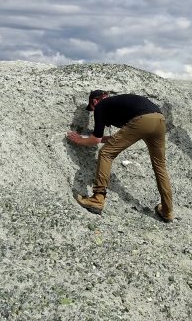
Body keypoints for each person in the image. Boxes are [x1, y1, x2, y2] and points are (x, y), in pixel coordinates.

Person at [67, 90, 174, 222]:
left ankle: (97, 199)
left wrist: (79, 140)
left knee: (105, 153)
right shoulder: (120, 105)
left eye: (92, 108)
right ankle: (167, 211)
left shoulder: (101, 105)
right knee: (160, 166)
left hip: (143, 120)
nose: (94, 112)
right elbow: (119, 137)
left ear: (94, 101)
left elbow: (96, 139)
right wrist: (96, 138)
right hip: (159, 120)